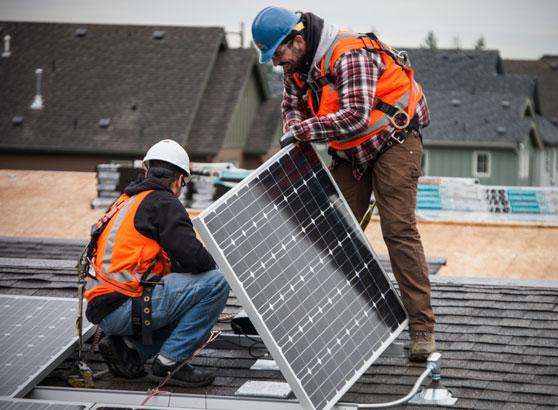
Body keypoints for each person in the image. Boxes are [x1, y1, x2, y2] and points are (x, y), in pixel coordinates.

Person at [252, 7, 436, 360]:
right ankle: (333, 321)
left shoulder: (349, 53)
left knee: (398, 229)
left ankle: (422, 327)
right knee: (331, 229)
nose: (277, 63)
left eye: (278, 53)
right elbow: (291, 107)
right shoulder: (296, 66)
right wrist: (294, 128)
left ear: (299, 40)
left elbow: (355, 116)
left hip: (394, 139)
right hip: (351, 150)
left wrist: (303, 131)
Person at [84, 139, 230, 386]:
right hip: (124, 307)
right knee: (215, 284)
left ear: (147, 171)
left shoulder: (127, 201)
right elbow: (193, 256)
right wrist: (217, 265)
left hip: (105, 308)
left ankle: (132, 350)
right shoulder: (163, 202)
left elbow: (170, 259)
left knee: (186, 293)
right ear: (179, 180)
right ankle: (170, 364)